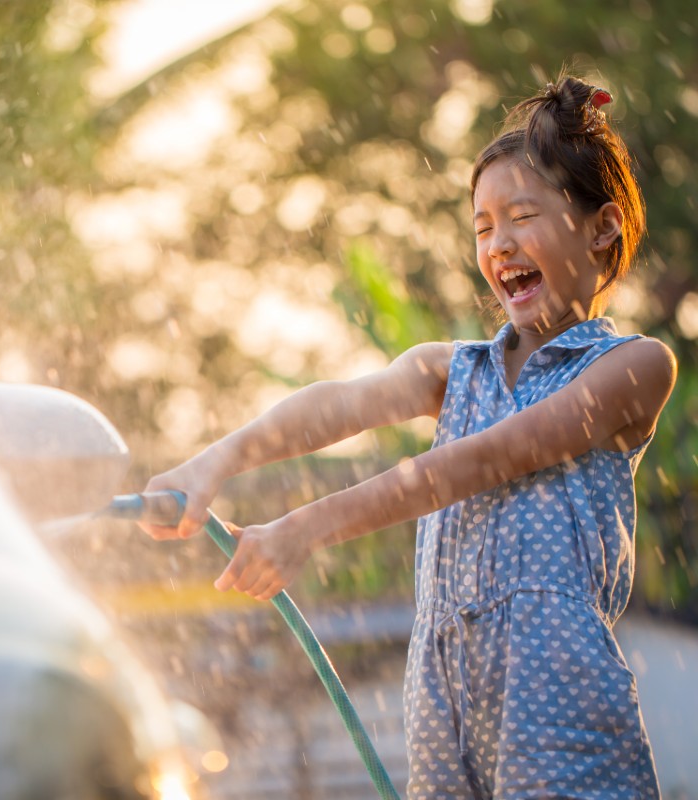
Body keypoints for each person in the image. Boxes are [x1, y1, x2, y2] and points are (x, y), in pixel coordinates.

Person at [140, 74, 676, 798]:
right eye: (484, 227)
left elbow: (487, 460)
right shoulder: (454, 371)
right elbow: (337, 405)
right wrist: (213, 461)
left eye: (523, 216)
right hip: (443, 697)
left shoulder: (633, 366)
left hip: (555, 698)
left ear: (602, 226)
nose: (500, 244)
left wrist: (304, 529)